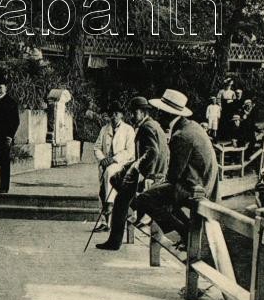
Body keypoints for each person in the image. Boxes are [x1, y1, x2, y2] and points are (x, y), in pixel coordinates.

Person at [128, 88, 219, 247]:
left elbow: (173, 176)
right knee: (159, 196)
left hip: (195, 187)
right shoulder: (192, 126)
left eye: (161, 111)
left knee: (144, 199)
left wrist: (154, 183)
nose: (158, 115)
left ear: (168, 114)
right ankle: (185, 231)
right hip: (205, 183)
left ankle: (184, 232)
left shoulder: (181, 136)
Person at [96, 96, 168, 250]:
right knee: (115, 180)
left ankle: (115, 241)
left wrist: (136, 169)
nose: (132, 116)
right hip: (155, 173)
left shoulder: (146, 127)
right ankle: (137, 212)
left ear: (142, 112)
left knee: (120, 200)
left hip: (150, 176)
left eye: (135, 113)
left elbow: (152, 153)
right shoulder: (154, 125)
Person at [93, 103, 135, 232]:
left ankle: (110, 210)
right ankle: (104, 222)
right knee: (102, 191)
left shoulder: (128, 130)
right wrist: (103, 159)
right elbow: (97, 147)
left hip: (120, 164)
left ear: (121, 115)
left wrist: (114, 159)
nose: (114, 116)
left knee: (111, 188)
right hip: (105, 164)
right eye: (112, 113)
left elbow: (130, 151)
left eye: (117, 113)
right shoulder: (104, 129)